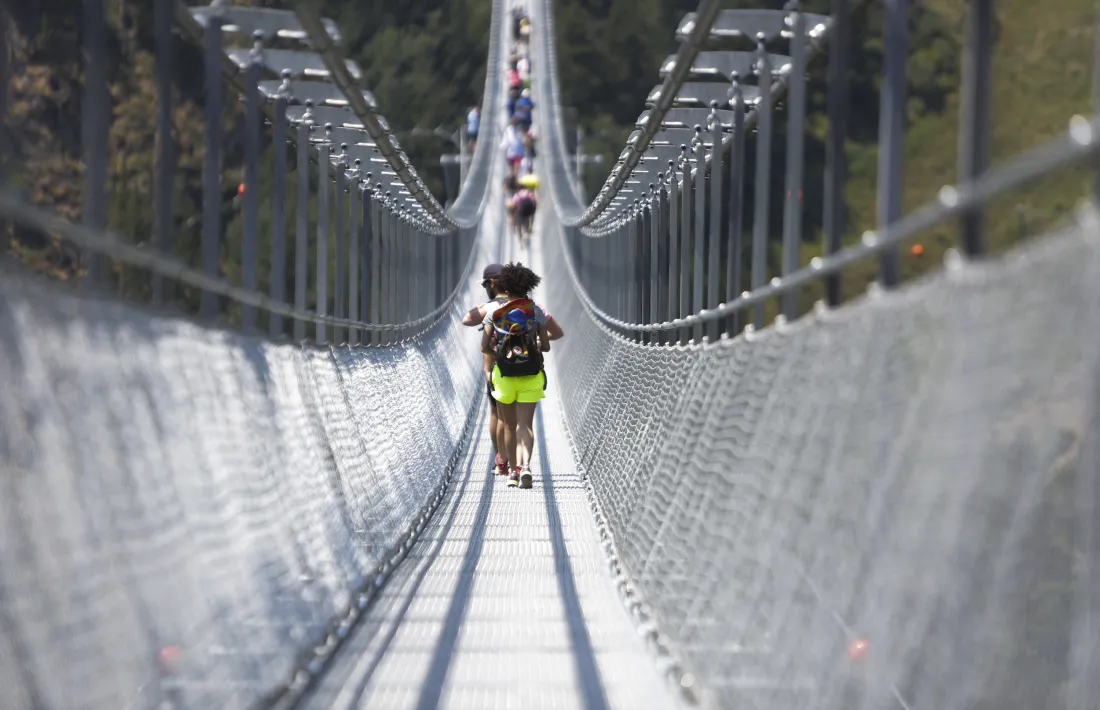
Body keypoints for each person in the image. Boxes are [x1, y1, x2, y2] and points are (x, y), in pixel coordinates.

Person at [480, 263, 564, 488]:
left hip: (504, 376)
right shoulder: (535, 311)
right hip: (531, 374)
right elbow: (546, 346)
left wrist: (500, 355)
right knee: (525, 425)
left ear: (505, 287)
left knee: (509, 425)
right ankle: (525, 466)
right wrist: (533, 343)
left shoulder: (494, 313)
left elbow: (484, 347)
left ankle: (512, 473)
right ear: (528, 286)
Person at [462, 263, 511, 476]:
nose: (485, 288)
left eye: (485, 285)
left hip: (497, 367)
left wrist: (488, 305)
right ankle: (520, 463)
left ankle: (501, 460)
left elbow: (466, 319)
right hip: (524, 366)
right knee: (520, 417)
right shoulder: (524, 303)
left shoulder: (491, 308)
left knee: (497, 414)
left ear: (492, 283)